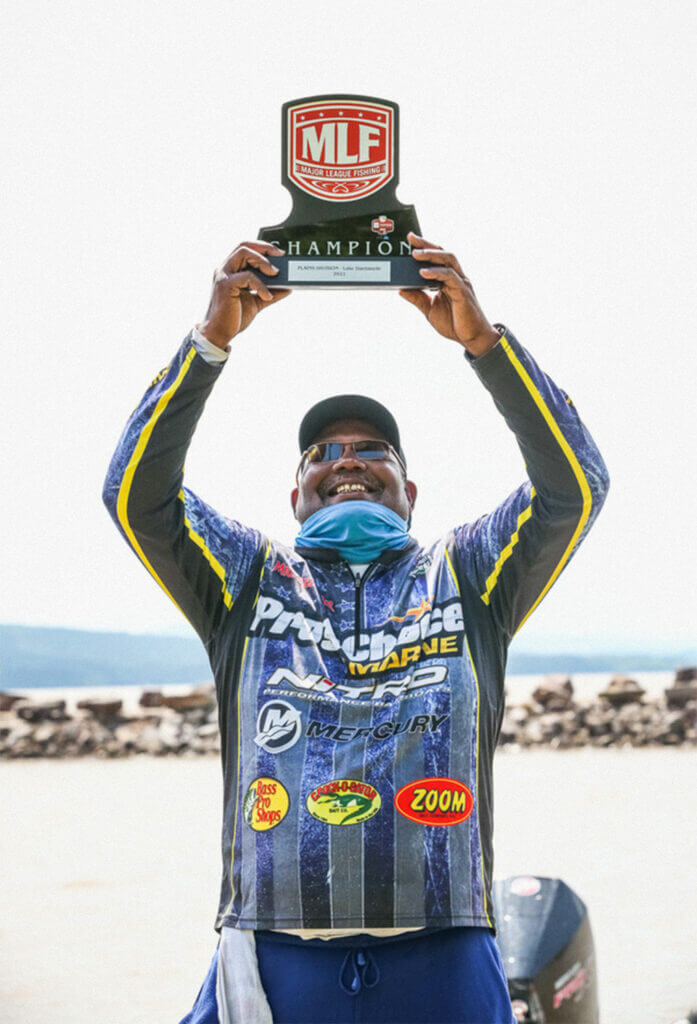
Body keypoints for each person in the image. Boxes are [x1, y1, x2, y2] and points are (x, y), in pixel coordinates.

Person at [103, 233, 609, 1024]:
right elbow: (135, 496)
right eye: (321, 454)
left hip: (444, 945)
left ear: (407, 489)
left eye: (370, 450)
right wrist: (208, 344)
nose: (345, 460)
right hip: (274, 948)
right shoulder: (244, 577)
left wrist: (483, 346)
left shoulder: (470, 573)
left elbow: (574, 486)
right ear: (296, 495)